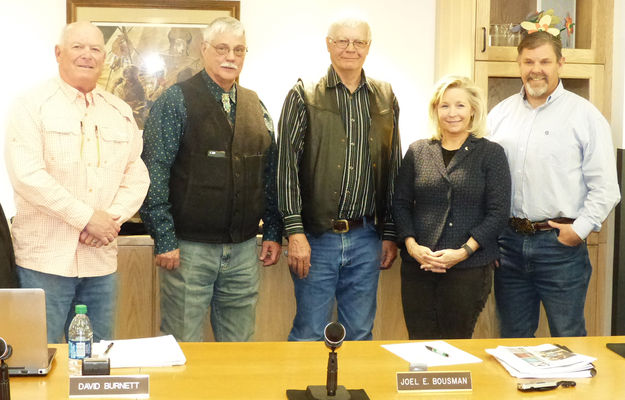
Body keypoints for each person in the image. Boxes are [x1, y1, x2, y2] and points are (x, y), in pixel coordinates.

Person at [4, 21, 150, 342]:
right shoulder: (31, 105)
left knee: (97, 361)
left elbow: (136, 175)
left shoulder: (119, 111)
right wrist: (86, 218)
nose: (87, 55)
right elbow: (28, 176)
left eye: (96, 48)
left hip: (100, 264)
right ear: (58, 53)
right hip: (43, 263)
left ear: (104, 57)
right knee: (39, 358)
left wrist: (109, 221)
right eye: (78, 47)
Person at [139, 17, 282, 342]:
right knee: (183, 346)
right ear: (204, 50)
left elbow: (269, 172)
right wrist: (164, 237)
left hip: (245, 250)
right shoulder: (175, 101)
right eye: (221, 48)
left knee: (239, 350)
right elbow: (153, 171)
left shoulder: (256, 105)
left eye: (238, 49)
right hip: (188, 251)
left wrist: (273, 229)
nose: (230, 56)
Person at [488, 31, 621, 338]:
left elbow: (606, 187)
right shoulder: (499, 115)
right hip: (508, 246)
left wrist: (579, 231)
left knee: (568, 337)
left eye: (545, 61)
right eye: (529, 61)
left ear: (561, 62)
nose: (537, 68)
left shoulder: (585, 116)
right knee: (513, 338)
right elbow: (487, 182)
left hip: (559, 246)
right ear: (519, 64)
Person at [277, 17, 401, 341]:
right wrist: (294, 232)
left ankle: (352, 392)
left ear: (368, 47)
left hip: (366, 238)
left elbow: (393, 169)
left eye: (359, 42)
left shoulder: (386, 98)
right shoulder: (304, 94)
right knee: (309, 332)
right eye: (343, 41)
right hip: (317, 238)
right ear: (329, 45)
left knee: (359, 332)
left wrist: (389, 232)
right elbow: (285, 167)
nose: (351, 48)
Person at [393, 76, 511, 339]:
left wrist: (463, 252)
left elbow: (498, 212)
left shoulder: (491, 154)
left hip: (468, 269)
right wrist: (412, 247)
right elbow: (400, 204)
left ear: (473, 110)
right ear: (436, 110)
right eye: (444, 106)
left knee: (454, 346)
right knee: (420, 343)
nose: (452, 113)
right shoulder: (418, 151)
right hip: (419, 267)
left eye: (460, 105)